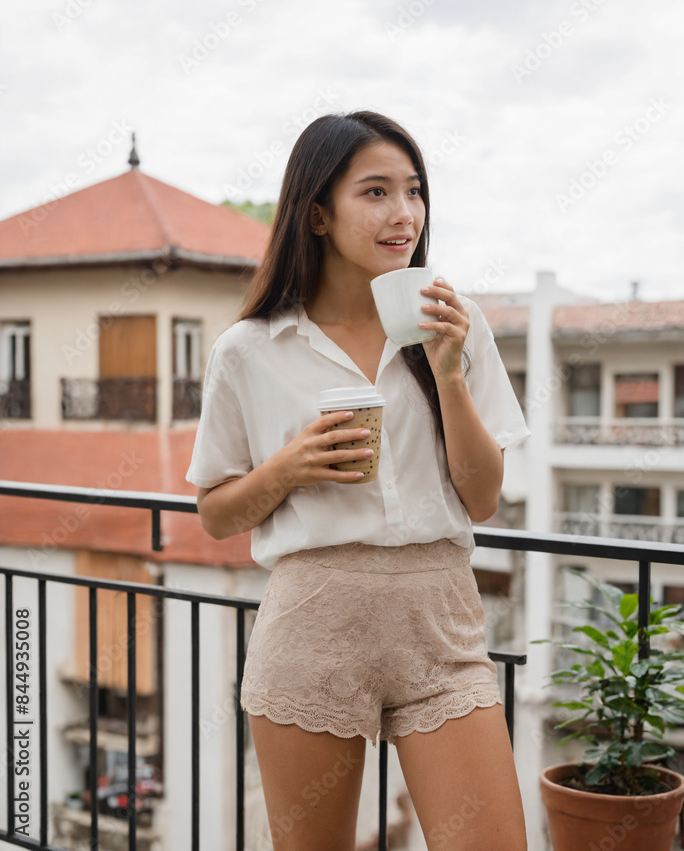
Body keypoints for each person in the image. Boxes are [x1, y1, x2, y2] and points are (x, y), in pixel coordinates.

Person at [185, 110, 530, 851]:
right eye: (375, 192)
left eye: (413, 191)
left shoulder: (454, 325)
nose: (404, 213)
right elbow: (215, 513)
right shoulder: (249, 350)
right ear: (316, 213)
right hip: (312, 625)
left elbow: (482, 496)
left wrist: (448, 375)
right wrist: (288, 468)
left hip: (441, 622)